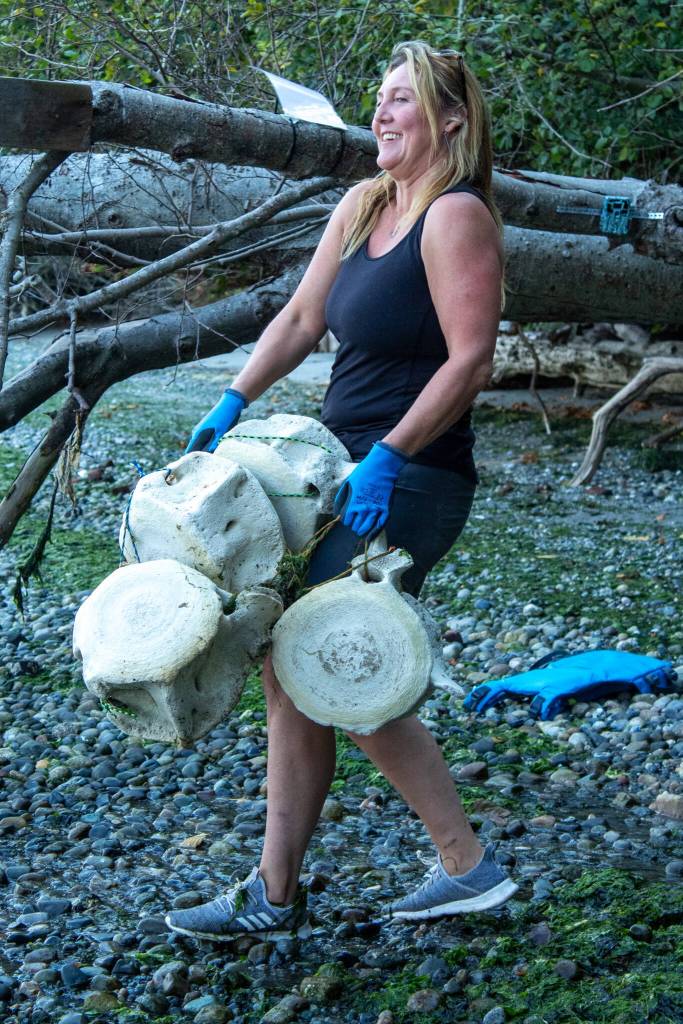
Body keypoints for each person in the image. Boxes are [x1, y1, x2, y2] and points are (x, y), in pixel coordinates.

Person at [165, 39, 518, 943]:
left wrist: (393, 454)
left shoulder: (455, 216)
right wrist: (234, 395)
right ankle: (274, 893)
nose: (381, 113)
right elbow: (300, 316)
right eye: (377, 99)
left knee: (325, 655)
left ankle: (466, 865)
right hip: (329, 468)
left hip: (412, 475)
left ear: (448, 118)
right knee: (293, 668)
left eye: (401, 100)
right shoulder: (365, 206)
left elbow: (471, 356)